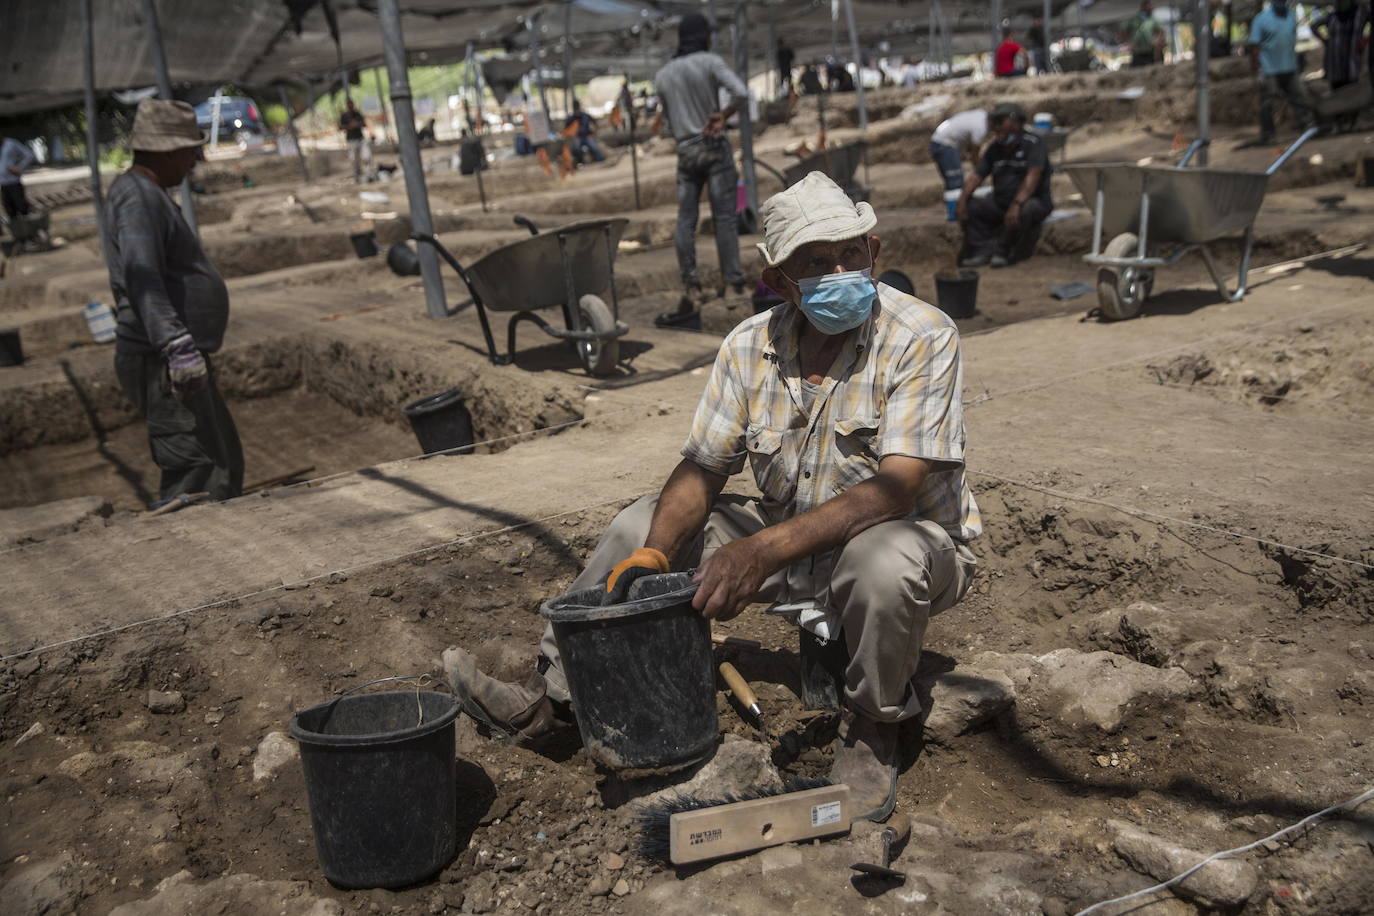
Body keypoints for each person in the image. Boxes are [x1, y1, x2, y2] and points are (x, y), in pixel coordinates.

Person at [443, 171, 980, 824]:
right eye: (816, 262)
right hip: (792, 547)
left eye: (851, 253)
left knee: (882, 558)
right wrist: (654, 557)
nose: (841, 270)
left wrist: (757, 552)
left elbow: (898, 488)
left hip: (911, 550)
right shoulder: (748, 347)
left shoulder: (921, 335)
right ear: (781, 281)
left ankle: (872, 728)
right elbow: (701, 471)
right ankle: (556, 702)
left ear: (874, 254)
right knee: (641, 523)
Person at [104, 100, 243, 506]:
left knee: (218, 458)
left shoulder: (145, 193)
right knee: (196, 468)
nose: (195, 161)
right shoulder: (140, 199)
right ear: (165, 151)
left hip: (166, 353)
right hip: (161, 358)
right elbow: (141, 275)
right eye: (189, 151)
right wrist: (175, 346)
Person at [653, 12, 750, 325]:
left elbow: (667, 122)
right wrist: (723, 115)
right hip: (712, 145)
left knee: (686, 221)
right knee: (724, 218)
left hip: (685, 150)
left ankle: (691, 286)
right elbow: (742, 93)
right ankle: (733, 286)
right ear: (702, 36)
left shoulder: (663, 75)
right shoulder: (709, 61)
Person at [956, 102, 1052, 269]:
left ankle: (1005, 252)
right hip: (1001, 201)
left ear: (1016, 122)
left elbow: (1033, 177)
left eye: (1001, 121)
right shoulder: (995, 148)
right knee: (973, 206)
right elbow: (977, 175)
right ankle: (983, 251)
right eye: (994, 122)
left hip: (1030, 200)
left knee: (1027, 210)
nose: (996, 127)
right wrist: (963, 199)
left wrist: (1016, 204)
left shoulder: (1033, 143)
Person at [1248, 0, 1316, 143]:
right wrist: (1256, 70)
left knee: (1300, 97)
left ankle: (1307, 127)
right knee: (1268, 103)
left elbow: (1291, 38)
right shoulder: (1261, 19)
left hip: (1290, 67)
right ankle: (1268, 134)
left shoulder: (1291, 16)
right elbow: (1254, 47)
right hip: (1269, 69)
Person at [929, 109, 990, 222]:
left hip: (939, 140)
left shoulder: (981, 114)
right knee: (955, 182)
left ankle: (956, 211)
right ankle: (957, 216)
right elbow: (974, 156)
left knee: (953, 181)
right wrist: (981, 172)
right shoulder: (980, 128)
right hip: (945, 144)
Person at [1313, 0, 1369, 90]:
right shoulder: (1332, 16)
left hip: (1351, 63)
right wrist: (1324, 40)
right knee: (1337, 91)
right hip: (1334, 64)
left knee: (1351, 90)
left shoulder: (1361, 14)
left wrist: (1366, 39)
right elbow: (1314, 26)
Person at [0, 131, 36, 227]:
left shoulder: (11, 144)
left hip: (14, 183)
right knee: (9, 210)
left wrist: (19, 167)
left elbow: (29, 155)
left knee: (22, 207)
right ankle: (18, 234)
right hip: (3, 184)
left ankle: (29, 231)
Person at [1123, 0, 1165, 67]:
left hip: (1149, 51)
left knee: (1151, 69)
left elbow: (1161, 31)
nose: (1151, 9)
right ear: (1143, 8)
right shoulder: (1134, 19)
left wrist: (1158, 40)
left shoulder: (1152, 20)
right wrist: (1128, 43)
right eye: (1149, 7)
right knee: (1137, 70)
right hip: (1137, 52)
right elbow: (1124, 31)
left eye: (1151, 7)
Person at [564, 99, 606, 164]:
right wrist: (572, 136)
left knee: (594, 147)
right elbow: (566, 130)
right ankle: (580, 162)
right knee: (576, 148)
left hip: (587, 136)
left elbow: (596, 124)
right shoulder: (571, 118)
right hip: (577, 137)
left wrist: (593, 134)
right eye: (575, 108)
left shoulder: (585, 116)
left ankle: (600, 160)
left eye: (577, 107)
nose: (577, 109)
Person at [338, 100, 370, 182]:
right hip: (351, 140)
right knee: (354, 160)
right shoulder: (344, 116)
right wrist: (349, 126)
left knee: (366, 156)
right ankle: (358, 176)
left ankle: (368, 174)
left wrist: (357, 124)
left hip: (360, 139)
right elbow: (340, 127)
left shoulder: (357, 114)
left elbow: (364, 124)